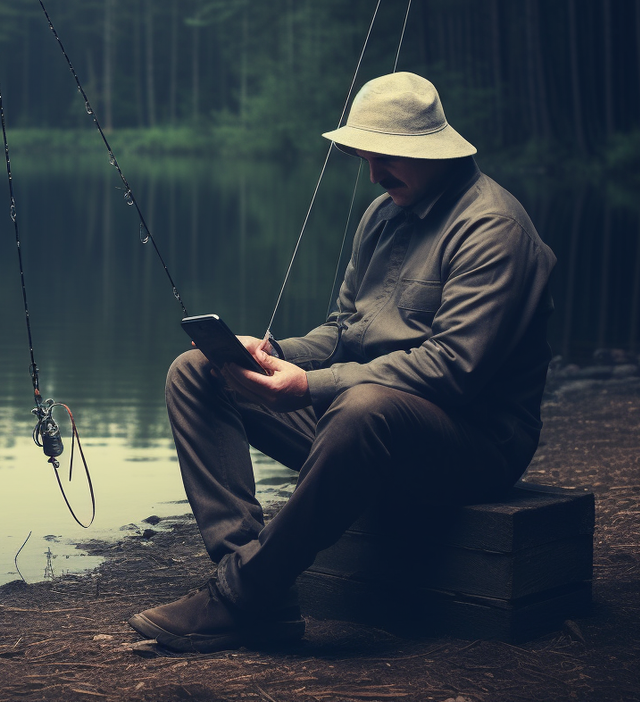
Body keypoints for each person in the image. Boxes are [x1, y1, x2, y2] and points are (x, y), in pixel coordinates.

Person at [128, 71, 557, 653]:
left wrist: (311, 387)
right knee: (197, 371)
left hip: (475, 443)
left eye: (386, 158)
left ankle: (240, 596)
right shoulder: (382, 216)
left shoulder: (492, 228)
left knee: (360, 407)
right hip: (367, 419)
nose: (375, 173)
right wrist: (276, 356)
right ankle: (257, 586)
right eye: (366, 158)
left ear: (427, 150)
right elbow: (345, 333)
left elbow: (455, 368)